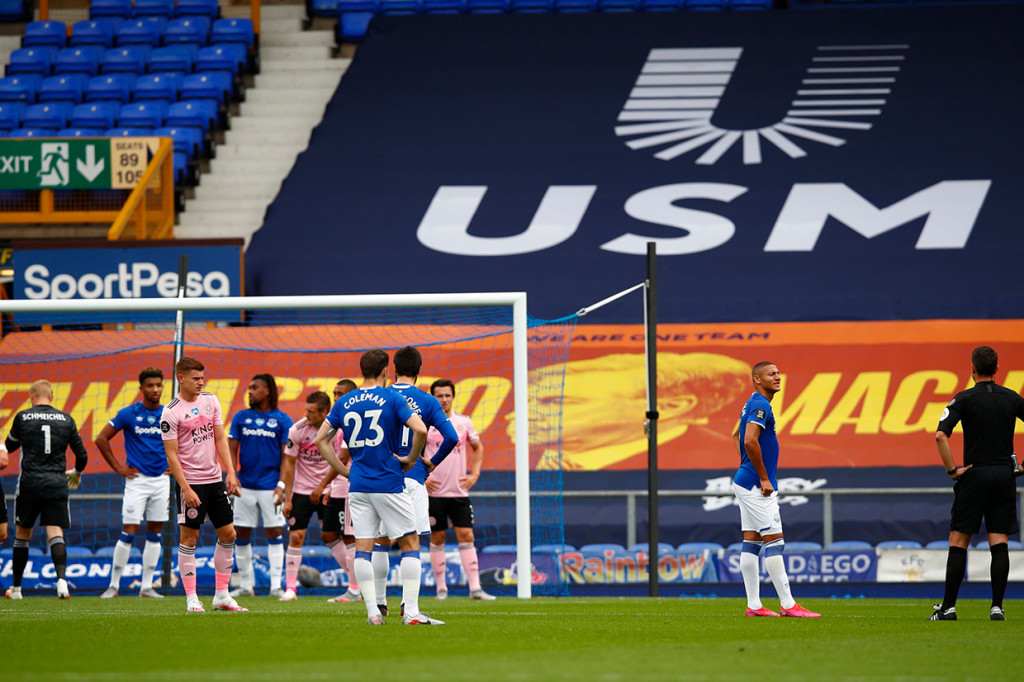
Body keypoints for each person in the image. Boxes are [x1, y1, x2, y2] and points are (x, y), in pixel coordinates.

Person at [314, 348, 442, 625]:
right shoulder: (392, 398)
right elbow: (420, 430)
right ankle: (411, 613)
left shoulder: (345, 401)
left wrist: (344, 471)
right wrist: (410, 459)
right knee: (410, 542)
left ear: (361, 370)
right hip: (387, 481)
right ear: (386, 371)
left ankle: (373, 611)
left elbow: (321, 439)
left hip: (358, 485)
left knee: (363, 547)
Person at [930, 345, 1024, 621]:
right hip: (1004, 475)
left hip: (974, 474)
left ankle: (948, 608)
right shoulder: (1011, 399)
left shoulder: (964, 399)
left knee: (959, 540)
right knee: (999, 540)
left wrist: (952, 470)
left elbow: (940, 436)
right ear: (997, 369)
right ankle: (997, 607)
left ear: (972, 368)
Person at [370, 347, 459, 614]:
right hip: (412, 478)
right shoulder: (428, 401)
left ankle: (379, 600)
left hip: (381, 478)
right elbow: (452, 438)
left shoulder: (379, 397)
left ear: (393, 369)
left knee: (381, 541)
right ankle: (410, 606)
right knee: (412, 543)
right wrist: (430, 463)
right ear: (419, 371)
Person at [731, 361, 820, 618]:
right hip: (757, 486)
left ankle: (754, 605)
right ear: (757, 379)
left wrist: (745, 466)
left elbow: (735, 434)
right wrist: (762, 477)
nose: (778, 377)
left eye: (779, 372)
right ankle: (788, 604)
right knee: (775, 541)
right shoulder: (760, 404)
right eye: (771, 374)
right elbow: (748, 439)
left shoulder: (752, 403)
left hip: (745, 481)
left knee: (752, 541)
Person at [161, 356, 247, 613]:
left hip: (214, 479)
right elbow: (172, 454)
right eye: (196, 378)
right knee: (190, 538)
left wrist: (230, 472)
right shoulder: (171, 412)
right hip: (192, 483)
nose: (201, 382)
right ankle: (191, 599)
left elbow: (220, 437)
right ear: (181, 378)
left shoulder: (210, 400)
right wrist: (185, 488)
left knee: (229, 534)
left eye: (202, 377)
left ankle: (222, 595)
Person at [3, 379, 87, 600]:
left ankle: (18, 589)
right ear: (51, 397)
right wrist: (76, 473)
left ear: (31, 397)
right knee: (55, 532)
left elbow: (8, 447)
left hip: (29, 483)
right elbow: (83, 456)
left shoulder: (23, 417)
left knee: (22, 535)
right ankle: (61, 582)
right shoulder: (66, 420)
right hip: (56, 483)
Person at [96, 367, 169, 599]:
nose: (155, 389)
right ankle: (113, 586)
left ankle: (146, 587)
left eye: (159, 385)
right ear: (141, 389)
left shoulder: (169, 414)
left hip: (161, 480)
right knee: (129, 532)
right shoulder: (128, 413)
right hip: (136, 481)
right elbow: (101, 438)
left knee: (155, 533)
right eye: (150, 385)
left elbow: (185, 441)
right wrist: (118, 467)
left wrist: (175, 465)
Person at [426, 378, 494, 600]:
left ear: (453, 397)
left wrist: (474, 473)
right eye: (439, 396)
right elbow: (411, 450)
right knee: (437, 538)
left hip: (459, 492)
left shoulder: (464, 422)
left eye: (447, 395)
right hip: (433, 492)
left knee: (467, 535)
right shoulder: (424, 423)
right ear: (432, 397)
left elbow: (478, 447)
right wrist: (422, 476)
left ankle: (475, 588)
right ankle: (441, 589)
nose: (444, 400)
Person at [228, 374, 293, 597]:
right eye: (249, 387)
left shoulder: (283, 420)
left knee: (274, 532)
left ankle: (275, 586)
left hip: (270, 486)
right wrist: (232, 474)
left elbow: (288, 457)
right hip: (244, 485)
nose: (250, 391)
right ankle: (247, 586)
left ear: (267, 391)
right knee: (241, 533)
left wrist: (282, 485)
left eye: (255, 387)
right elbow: (231, 448)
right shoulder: (240, 417)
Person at [277, 390, 335, 601]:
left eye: (311, 411)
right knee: (295, 536)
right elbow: (290, 464)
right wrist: (288, 496)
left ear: (324, 412)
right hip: (302, 491)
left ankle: (355, 586)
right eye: (305, 410)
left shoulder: (336, 430)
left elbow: (341, 460)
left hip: (328, 490)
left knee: (334, 537)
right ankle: (291, 588)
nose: (306, 414)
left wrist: (328, 487)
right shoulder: (297, 429)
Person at [315, 378, 361, 603]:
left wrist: (323, 484)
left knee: (350, 536)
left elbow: (343, 457)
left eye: (340, 393)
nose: (336, 398)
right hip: (340, 485)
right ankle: (356, 583)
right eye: (334, 393)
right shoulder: (340, 419)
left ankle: (355, 588)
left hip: (349, 485)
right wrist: (331, 487)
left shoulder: (352, 420)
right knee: (329, 534)